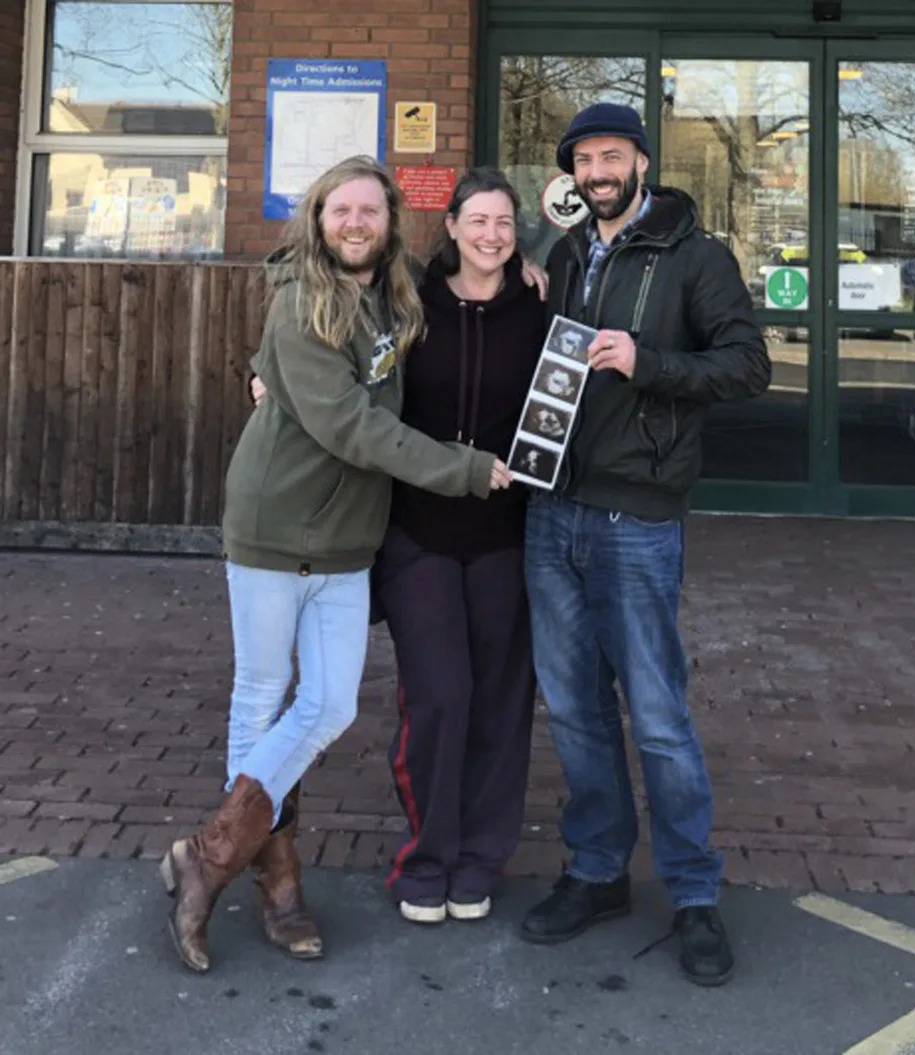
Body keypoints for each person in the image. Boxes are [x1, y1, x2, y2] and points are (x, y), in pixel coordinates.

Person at [159, 156, 510, 974]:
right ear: (318, 219)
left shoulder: (396, 291)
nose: (355, 223)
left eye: (371, 211)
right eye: (340, 209)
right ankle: (272, 884)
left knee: (330, 704)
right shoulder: (300, 304)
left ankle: (205, 856)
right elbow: (355, 427)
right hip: (275, 529)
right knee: (261, 700)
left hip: (350, 542)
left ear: (392, 224)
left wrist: (519, 259)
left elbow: (470, 271)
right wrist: (463, 469)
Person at [519, 103, 771, 987]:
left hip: (638, 520)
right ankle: (597, 873)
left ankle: (694, 894)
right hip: (553, 515)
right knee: (577, 710)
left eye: (612, 155)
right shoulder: (565, 255)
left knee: (659, 719)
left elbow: (748, 365)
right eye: (584, 159)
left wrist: (648, 359)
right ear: (573, 174)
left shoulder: (694, 257)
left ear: (641, 162)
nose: (599, 170)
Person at [373, 168, 545, 923]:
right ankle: (428, 855)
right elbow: (339, 355)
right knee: (440, 697)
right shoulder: (409, 303)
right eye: (478, 220)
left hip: (509, 537)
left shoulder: (540, 309)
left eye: (504, 222)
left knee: (502, 705)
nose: (491, 235)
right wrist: (262, 374)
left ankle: (480, 857)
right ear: (450, 226)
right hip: (422, 534)